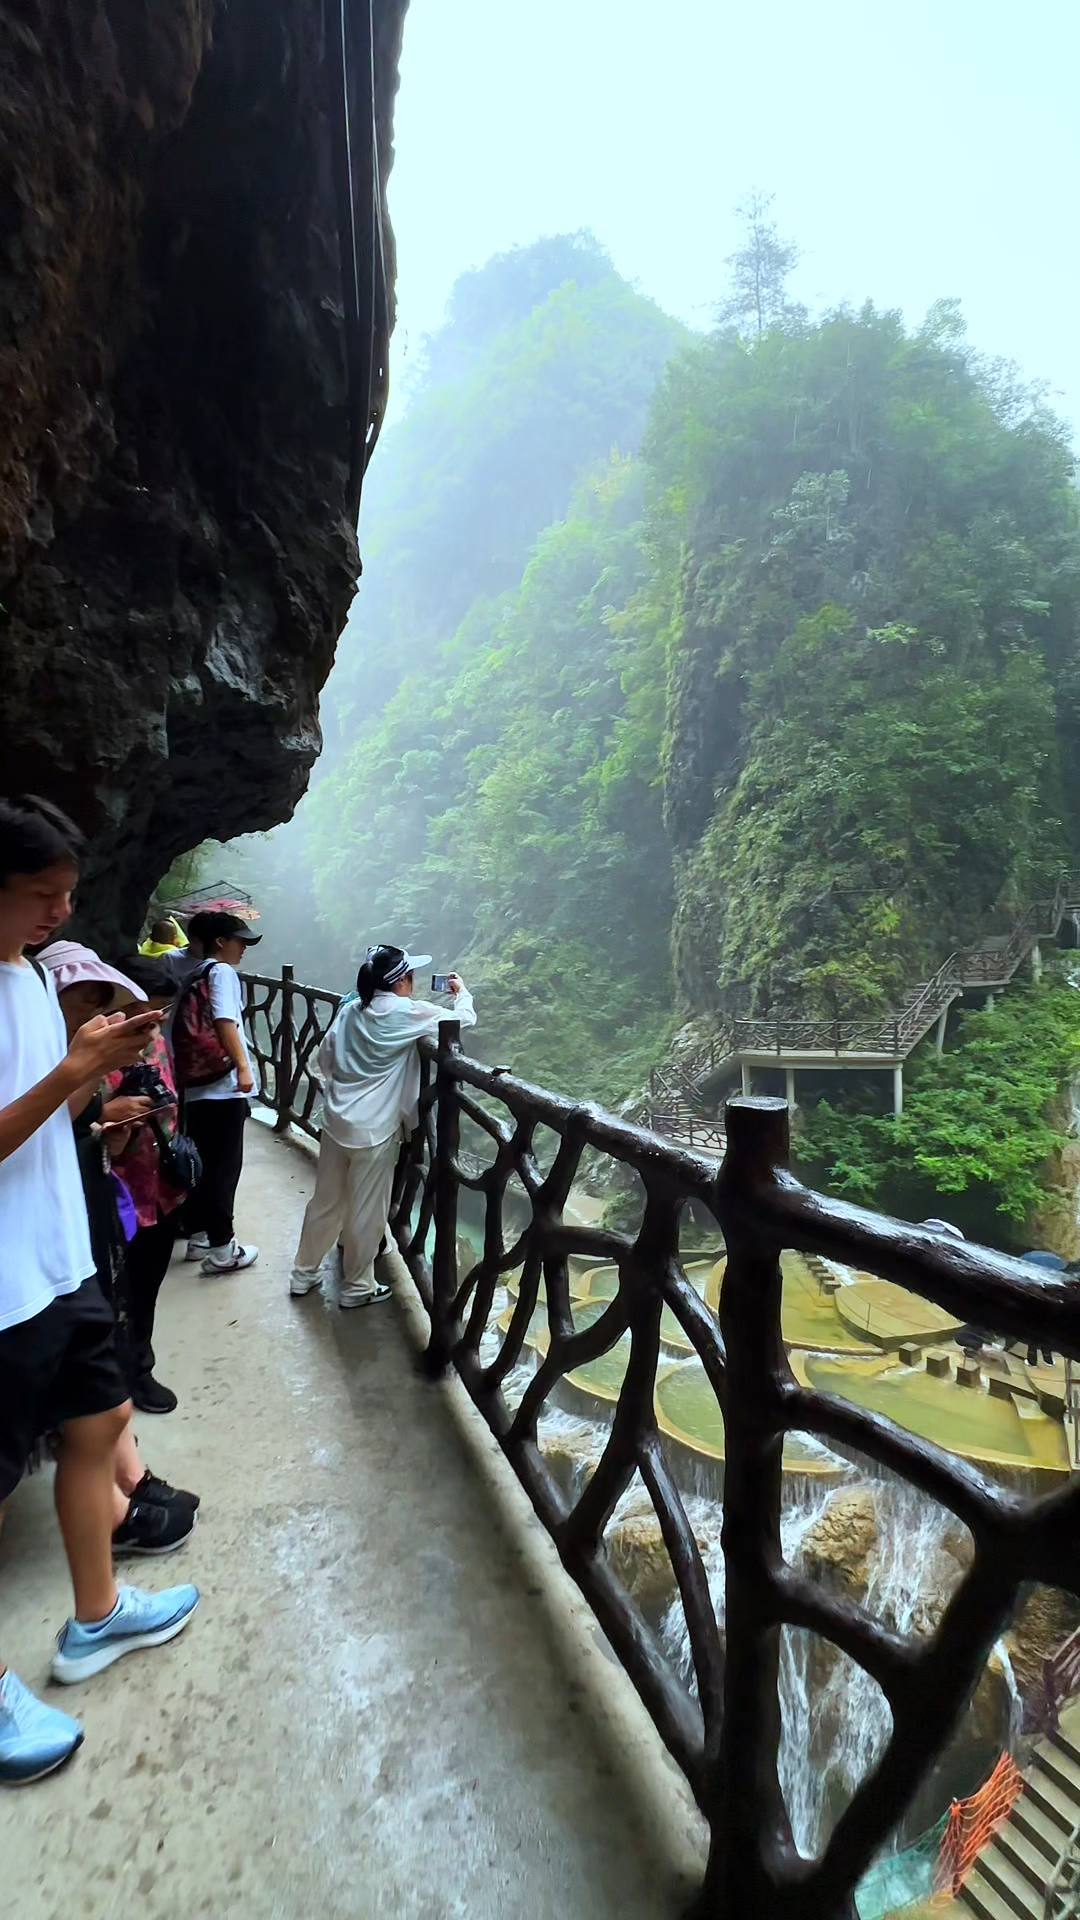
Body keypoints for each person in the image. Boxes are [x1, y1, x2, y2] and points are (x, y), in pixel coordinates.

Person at [0, 796, 198, 1787]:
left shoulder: (33, 978)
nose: (58, 914)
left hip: (60, 1263)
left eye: (69, 895)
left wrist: (101, 1081)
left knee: (100, 1418)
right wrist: (76, 1070)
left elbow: (49, 1109)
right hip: (0, 1285)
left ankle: (96, 1616)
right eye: (41, 894)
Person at [37, 940, 198, 1544]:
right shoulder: (51, 1058)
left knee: (121, 1312)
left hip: (122, 1199)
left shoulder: (117, 1047)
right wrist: (106, 1116)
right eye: (83, 1002)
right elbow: (57, 1136)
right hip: (84, 1214)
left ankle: (128, 1471)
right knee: (98, 1337)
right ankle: (117, 1495)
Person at [291, 945, 475, 1308]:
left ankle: (303, 1274)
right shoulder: (410, 1013)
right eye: (412, 976)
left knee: (326, 1200)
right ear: (402, 981)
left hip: (336, 1120)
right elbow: (463, 1020)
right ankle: (357, 1287)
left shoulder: (349, 1011)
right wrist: (462, 992)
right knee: (367, 1209)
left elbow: (324, 1061)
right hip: (375, 1131)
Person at [108, 953, 193, 1412]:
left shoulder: (155, 1038)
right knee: (112, 1293)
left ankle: (139, 1366)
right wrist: (109, 1115)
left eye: (161, 1011)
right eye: (147, 1011)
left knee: (147, 1285)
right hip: (116, 1193)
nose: (155, 1022)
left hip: (161, 1186)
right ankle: (111, 1382)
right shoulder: (91, 1046)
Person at [176, 910, 261, 1273]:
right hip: (222, 1087)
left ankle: (198, 1238)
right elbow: (226, 1019)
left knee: (202, 1164)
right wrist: (243, 1067)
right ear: (221, 942)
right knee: (223, 1169)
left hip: (195, 1086)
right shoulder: (222, 972)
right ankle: (224, 1251)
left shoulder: (193, 972)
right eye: (240, 941)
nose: (243, 948)